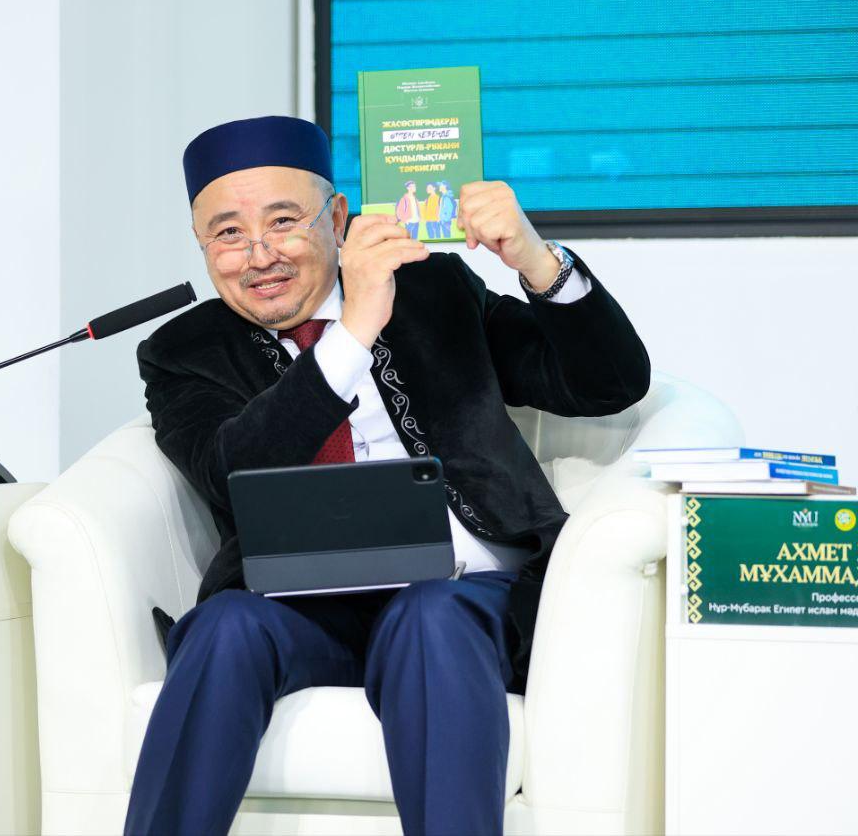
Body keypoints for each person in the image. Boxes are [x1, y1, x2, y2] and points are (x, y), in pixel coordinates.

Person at [126, 116, 650, 835]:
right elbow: (229, 472)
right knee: (222, 625)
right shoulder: (183, 350)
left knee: (429, 615)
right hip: (302, 613)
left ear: (336, 216)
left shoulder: (433, 288)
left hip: (466, 600)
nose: (259, 255)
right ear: (201, 243)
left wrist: (536, 260)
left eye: (283, 222)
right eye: (228, 234)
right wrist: (352, 333)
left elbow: (608, 384)